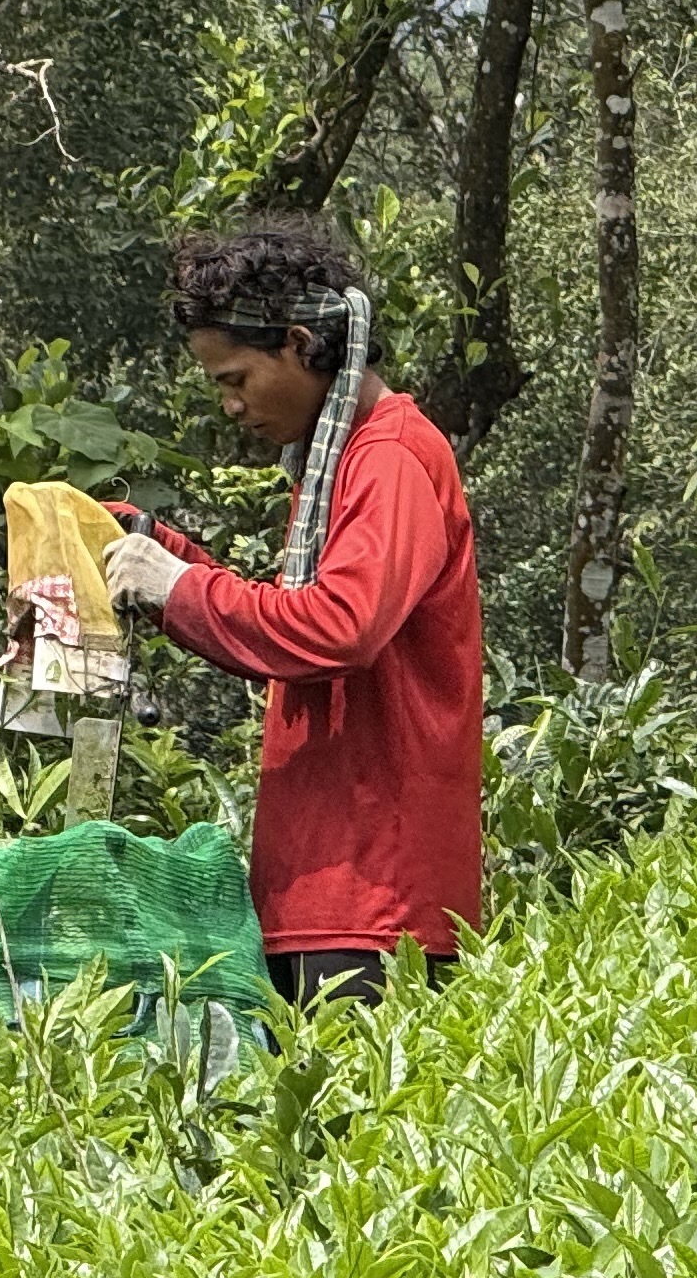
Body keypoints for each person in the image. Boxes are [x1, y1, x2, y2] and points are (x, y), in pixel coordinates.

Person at [100, 217, 483, 1005]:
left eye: (236, 378)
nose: (230, 405)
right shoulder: (339, 461)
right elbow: (286, 614)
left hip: (376, 904)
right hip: (320, 896)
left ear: (302, 345)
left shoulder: (390, 457)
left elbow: (339, 627)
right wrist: (144, 545)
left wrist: (177, 586)